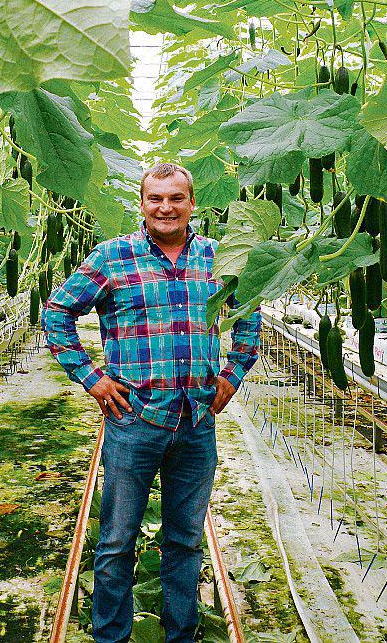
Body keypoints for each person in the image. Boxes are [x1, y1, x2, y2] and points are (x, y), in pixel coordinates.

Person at [41, 163, 261, 643]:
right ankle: (111, 636)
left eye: (176, 198)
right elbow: (56, 311)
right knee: (117, 541)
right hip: (134, 418)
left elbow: (249, 315)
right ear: (142, 203)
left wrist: (233, 373)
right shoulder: (112, 257)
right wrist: (91, 377)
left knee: (185, 540)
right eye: (156, 199)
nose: (166, 208)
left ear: (191, 203)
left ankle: (181, 634)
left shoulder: (218, 259)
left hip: (197, 419)